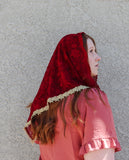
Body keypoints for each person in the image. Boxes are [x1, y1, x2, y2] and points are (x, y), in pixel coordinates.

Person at [24, 32, 121, 160]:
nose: (98, 57)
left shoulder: (47, 109)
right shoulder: (92, 99)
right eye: (91, 51)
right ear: (76, 58)